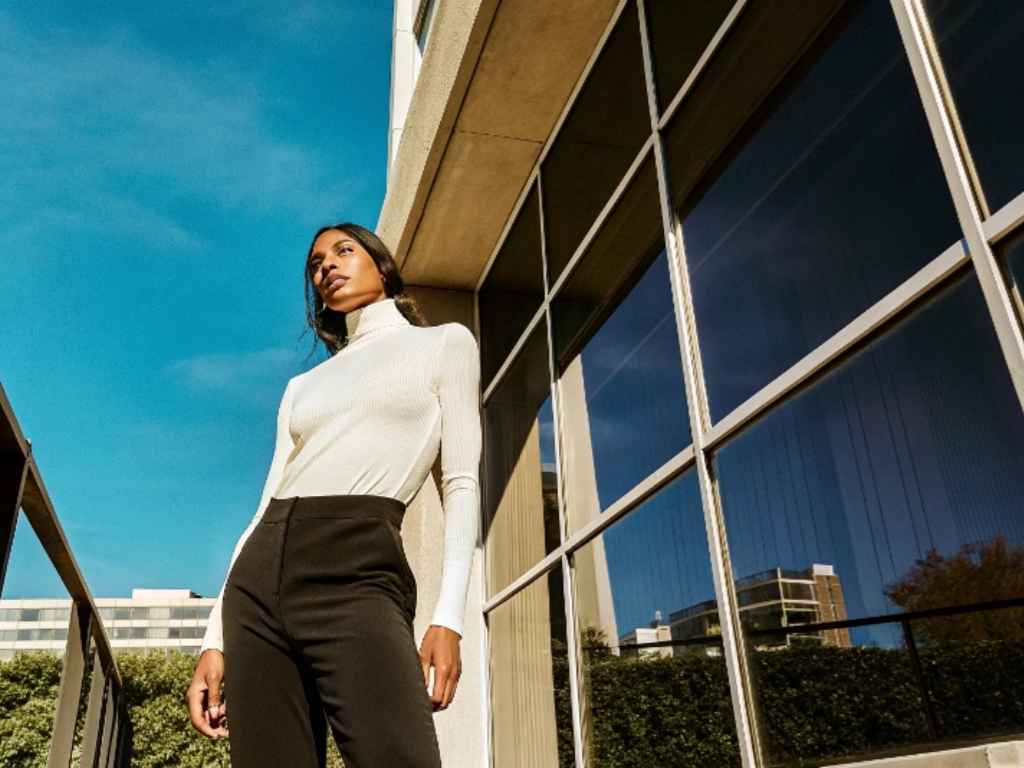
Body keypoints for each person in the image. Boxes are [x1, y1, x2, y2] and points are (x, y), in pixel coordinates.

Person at [185, 222, 482, 767]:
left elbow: (461, 483)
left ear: (381, 264)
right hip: (260, 577)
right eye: (316, 263)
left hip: (357, 567)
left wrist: (450, 618)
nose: (326, 266)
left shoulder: (444, 345)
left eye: (343, 251)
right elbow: (261, 510)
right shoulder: (302, 388)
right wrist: (215, 638)